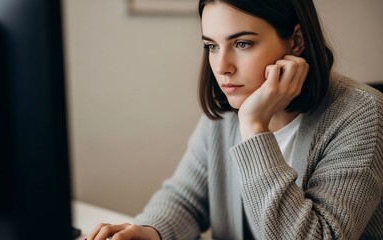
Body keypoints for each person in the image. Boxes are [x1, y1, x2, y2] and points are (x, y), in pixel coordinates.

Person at [87, 0, 383, 239]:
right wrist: (149, 231)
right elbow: (185, 199)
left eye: (242, 44)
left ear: (295, 41)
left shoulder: (361, 113)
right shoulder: (226, 111)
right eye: (212, 46)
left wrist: (254, 126)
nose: (222, 66)